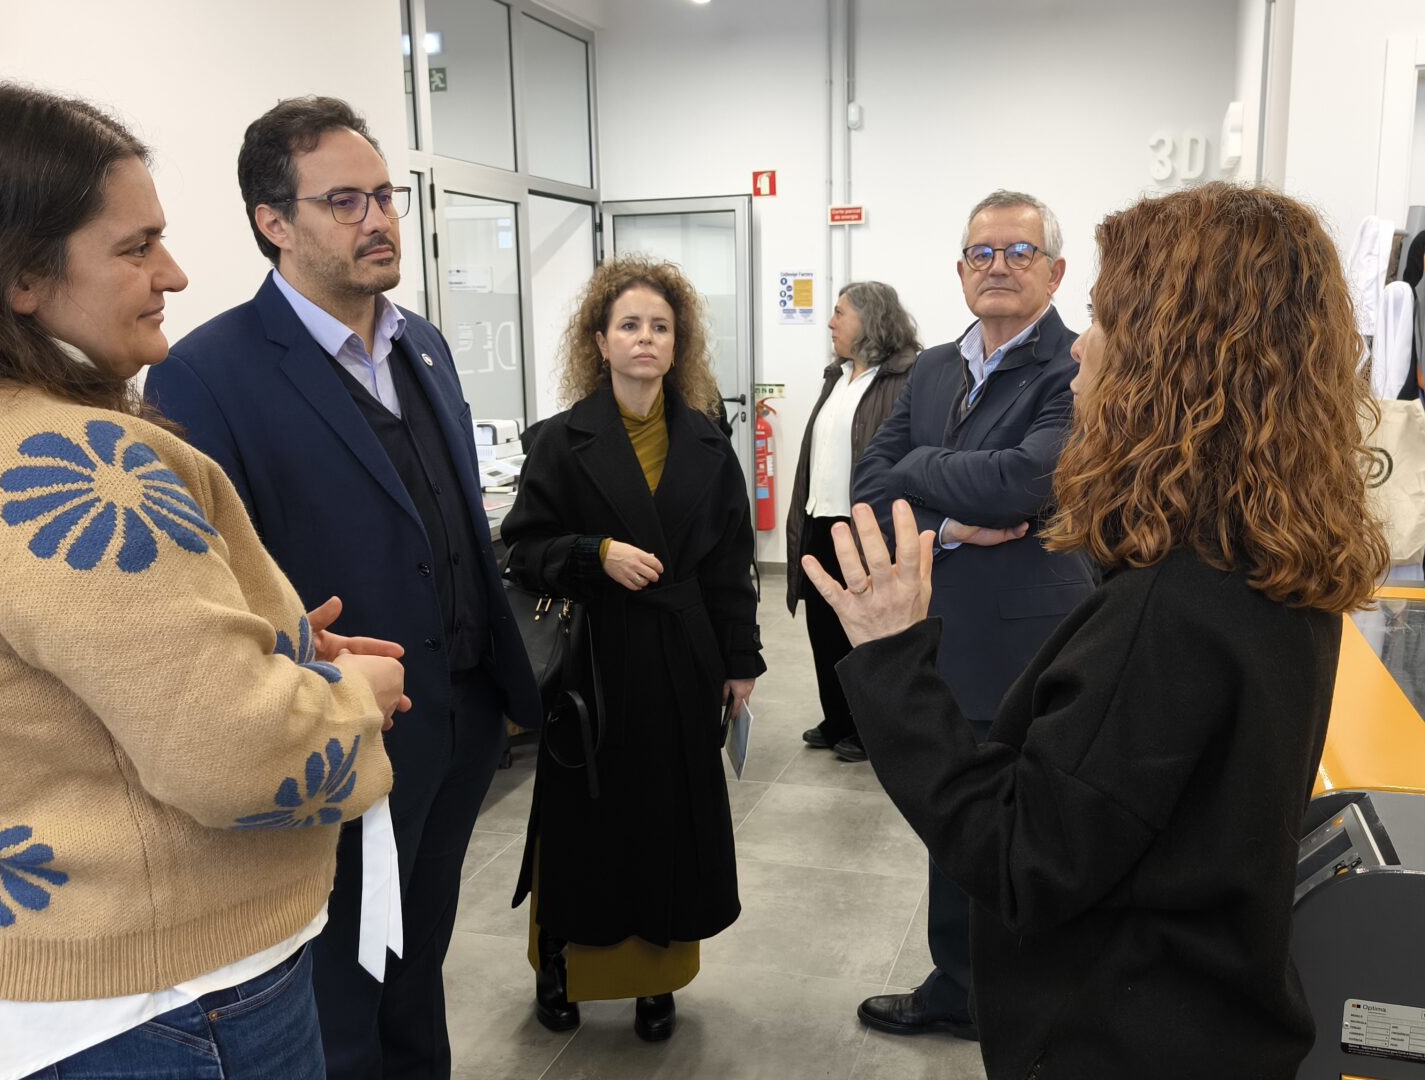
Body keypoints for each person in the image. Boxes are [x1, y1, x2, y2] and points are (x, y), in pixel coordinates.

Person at [0, 82, 408, 1079]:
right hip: (165, 997)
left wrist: (269, 652)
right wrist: (353, 694)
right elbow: (238, 756)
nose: (173, 273)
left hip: (51, 981)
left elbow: (77, 684)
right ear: (14, 273)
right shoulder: (76, 464)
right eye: (136, 248)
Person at [804, 182, 1390, 1078]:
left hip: (1125, 1039)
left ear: (1171, 359)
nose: (1082, 346)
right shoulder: (1266, 553)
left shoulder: (1170, 611)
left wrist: (889, 657)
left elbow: (1021, 858)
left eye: (1107, 319)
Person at [143, 97, 540, 1078]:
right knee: (342, 987)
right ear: (273, 222)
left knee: (418, 962)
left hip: (459, 718)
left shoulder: (422, 344)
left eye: (384, 197)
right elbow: (206, 593)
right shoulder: (206, 376)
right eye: (345, 202)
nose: (378, 220)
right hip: (337, 734)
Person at [849, 189, 1095, 1039]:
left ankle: (1012, 995)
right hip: (939, 629)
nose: (998, 266)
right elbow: (869, 484)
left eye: (1020, 252)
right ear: (960, 270)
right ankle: (960, 988)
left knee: (1019, 829)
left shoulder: (1074, 366)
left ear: (1055, 272)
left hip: (1028, 641)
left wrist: (920, 467)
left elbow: (1028, 482)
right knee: (953, 819)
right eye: (982, 252)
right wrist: (952, 521)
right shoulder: (932, 368)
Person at [502, 255, 763, 1044]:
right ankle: (560, 963)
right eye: (629, 326)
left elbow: (730, 566)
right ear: (600, 341)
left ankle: (658, 978)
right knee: (583, 823)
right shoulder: (560, 441)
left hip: (682, 659)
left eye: (660, 327)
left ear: (677, 345)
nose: (645, 339)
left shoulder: (708, 444)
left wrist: (740, 661)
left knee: (668, 821)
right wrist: (596, 554)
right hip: (594, 663)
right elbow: (524, 550)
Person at [786, 281, 923, 763]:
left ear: (870, 319)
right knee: (824, 627)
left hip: (865, 529)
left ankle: (870, 729)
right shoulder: (837, 376)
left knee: (865, 632)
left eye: (840, 312)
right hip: (819, 519)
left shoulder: (903, 378)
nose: (831, 322)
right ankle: (837, 719)